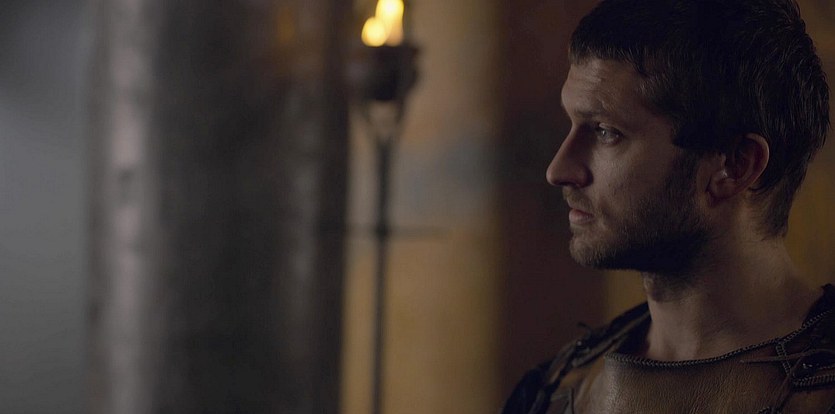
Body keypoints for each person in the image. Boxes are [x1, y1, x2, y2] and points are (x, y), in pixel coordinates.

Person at [501, 0, 833, 412]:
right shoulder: (550, 392)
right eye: (573, 124)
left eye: (605, 132)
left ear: (735, 166)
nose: (558, 170)